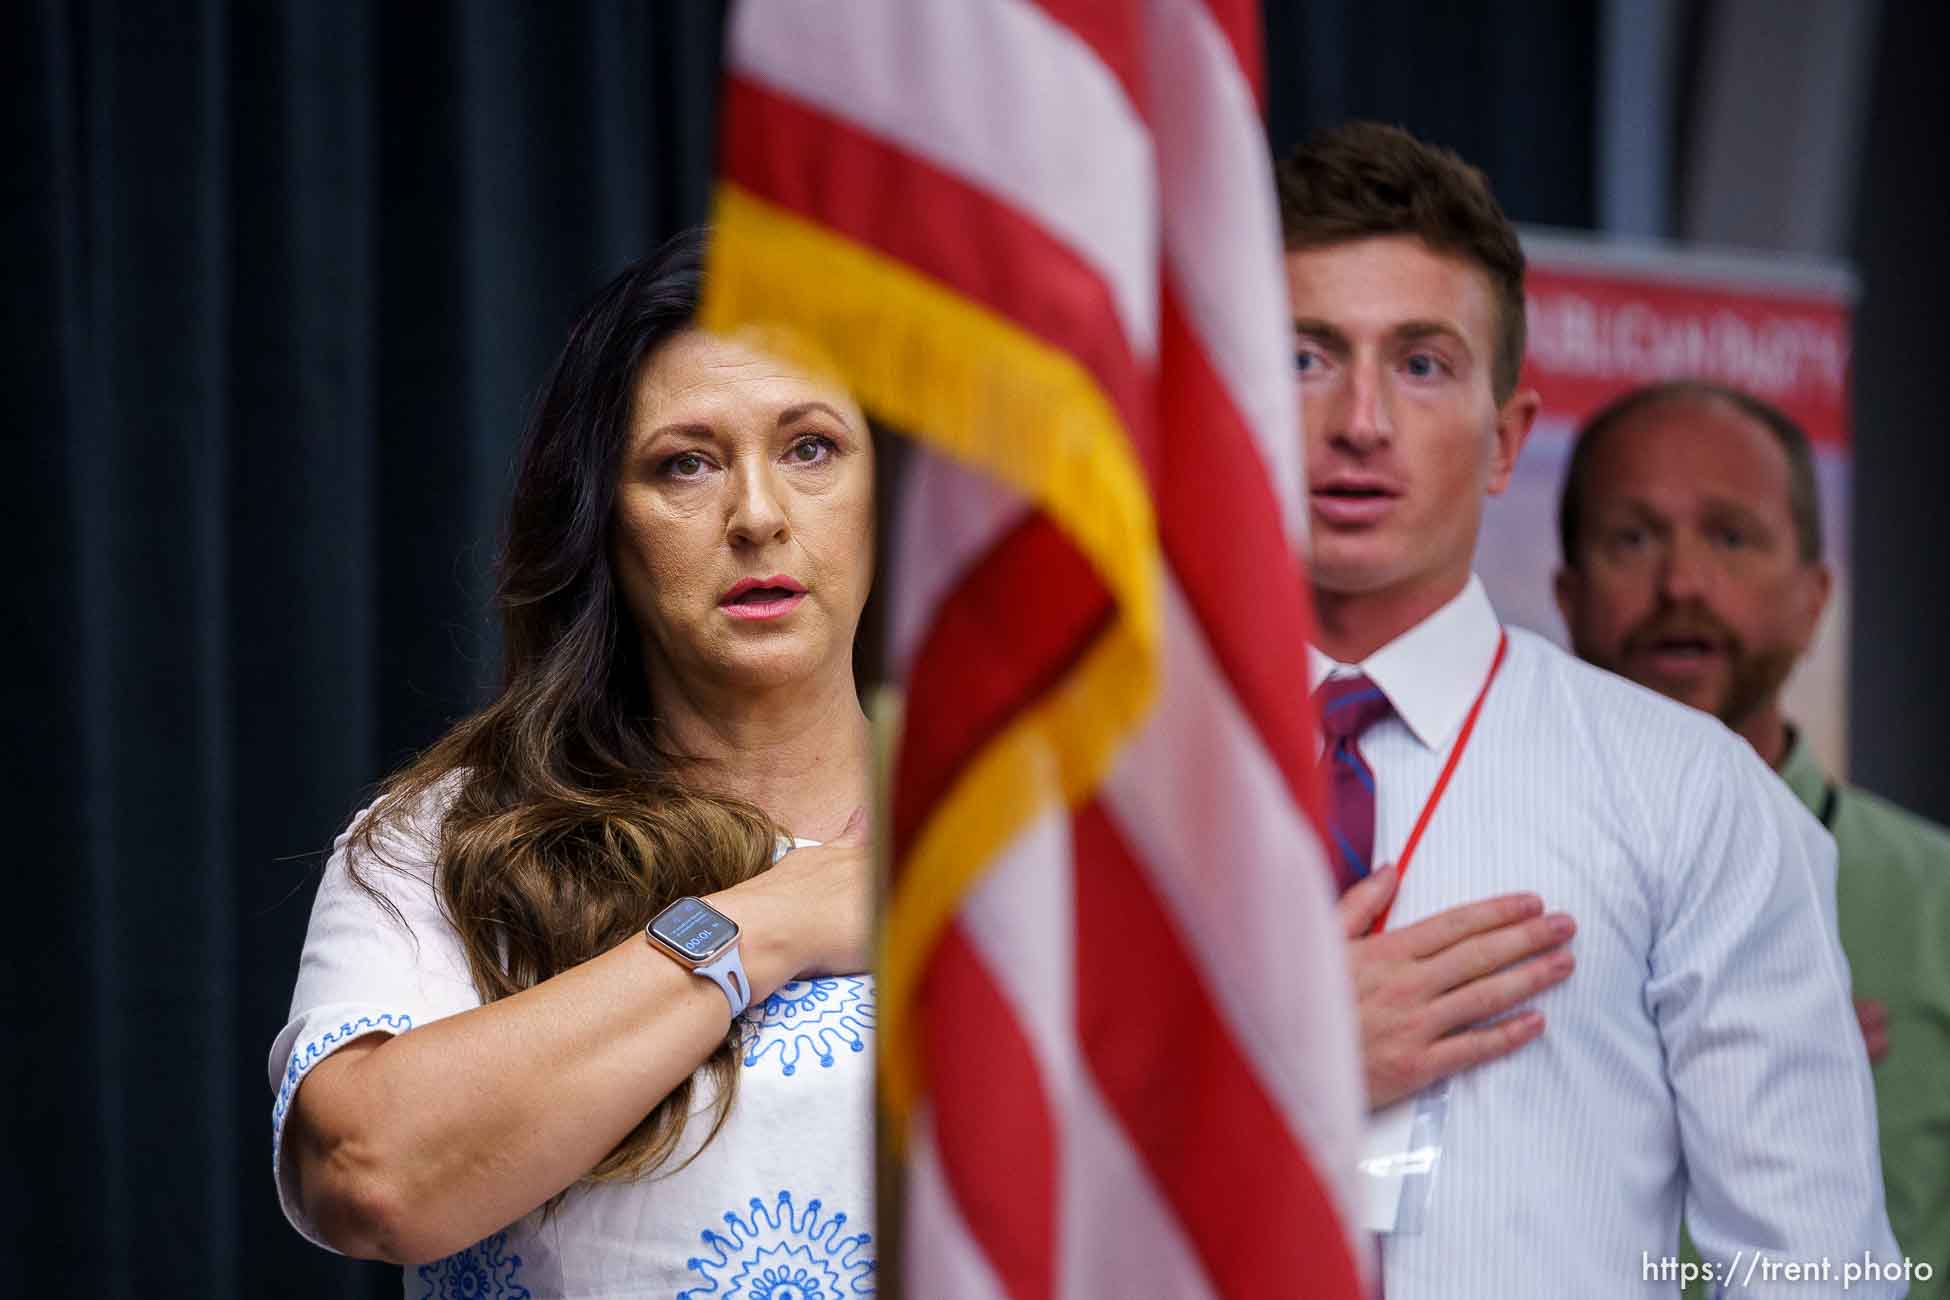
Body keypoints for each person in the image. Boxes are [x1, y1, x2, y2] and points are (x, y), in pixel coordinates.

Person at [1279, 122, 1901, 1296]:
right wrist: (1273, 1065)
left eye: (1422, 364)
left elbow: (1815, 1271)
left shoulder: (1691, 790)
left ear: (1508, 440)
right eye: (1305, 357)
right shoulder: (1100, 771)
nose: (1360, 420)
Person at [266, 230, 880, 1297]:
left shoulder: (1025, 822)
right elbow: (362, 1172)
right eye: (684, 463)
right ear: (603, 523)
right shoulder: (451, 835)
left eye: (811, 447)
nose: (759, 516)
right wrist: (769, 921)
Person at [1556, 378, 1950, 1295]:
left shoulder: (1936, 907)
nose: (1682, 583)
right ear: (1566, 595)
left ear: (1816, 597)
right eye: (1633, 538)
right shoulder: (1470, 881)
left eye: (1731, 536)